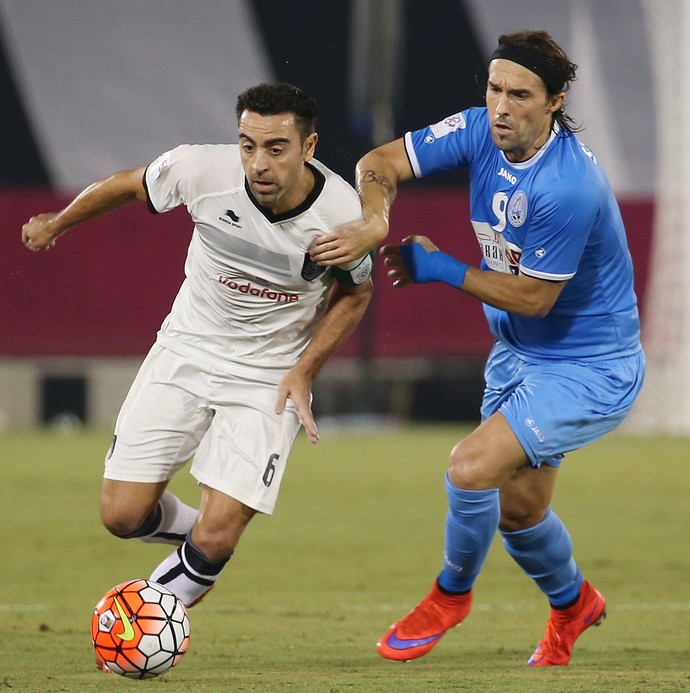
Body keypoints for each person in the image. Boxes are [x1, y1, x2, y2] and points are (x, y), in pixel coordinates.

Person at [309, 31, 645, 667]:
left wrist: (442, 269)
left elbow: (534, 299)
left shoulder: (568, 186)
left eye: (520, 95)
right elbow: (379, 161)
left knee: (469, 468)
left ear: (554, 103)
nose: (501, 106)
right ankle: (574, 604)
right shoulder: (475, 131)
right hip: (520, 354)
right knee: (519, 514)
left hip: (589, 366)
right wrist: (375, 218)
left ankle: (449, 596)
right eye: (494, 89)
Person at [22, 83, 374, 666]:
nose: (258, 163)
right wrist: (59, 223)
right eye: (248, 144)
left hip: (268, 376)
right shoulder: (200, 170)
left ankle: (155, 618)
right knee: (121, 516)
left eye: (277, 148)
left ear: (309, 145)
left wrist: (305, 370)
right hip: (185, 351)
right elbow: (128, 185)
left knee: (217, 536)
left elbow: (356, 295)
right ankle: (201, 547)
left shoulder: (340, 217)